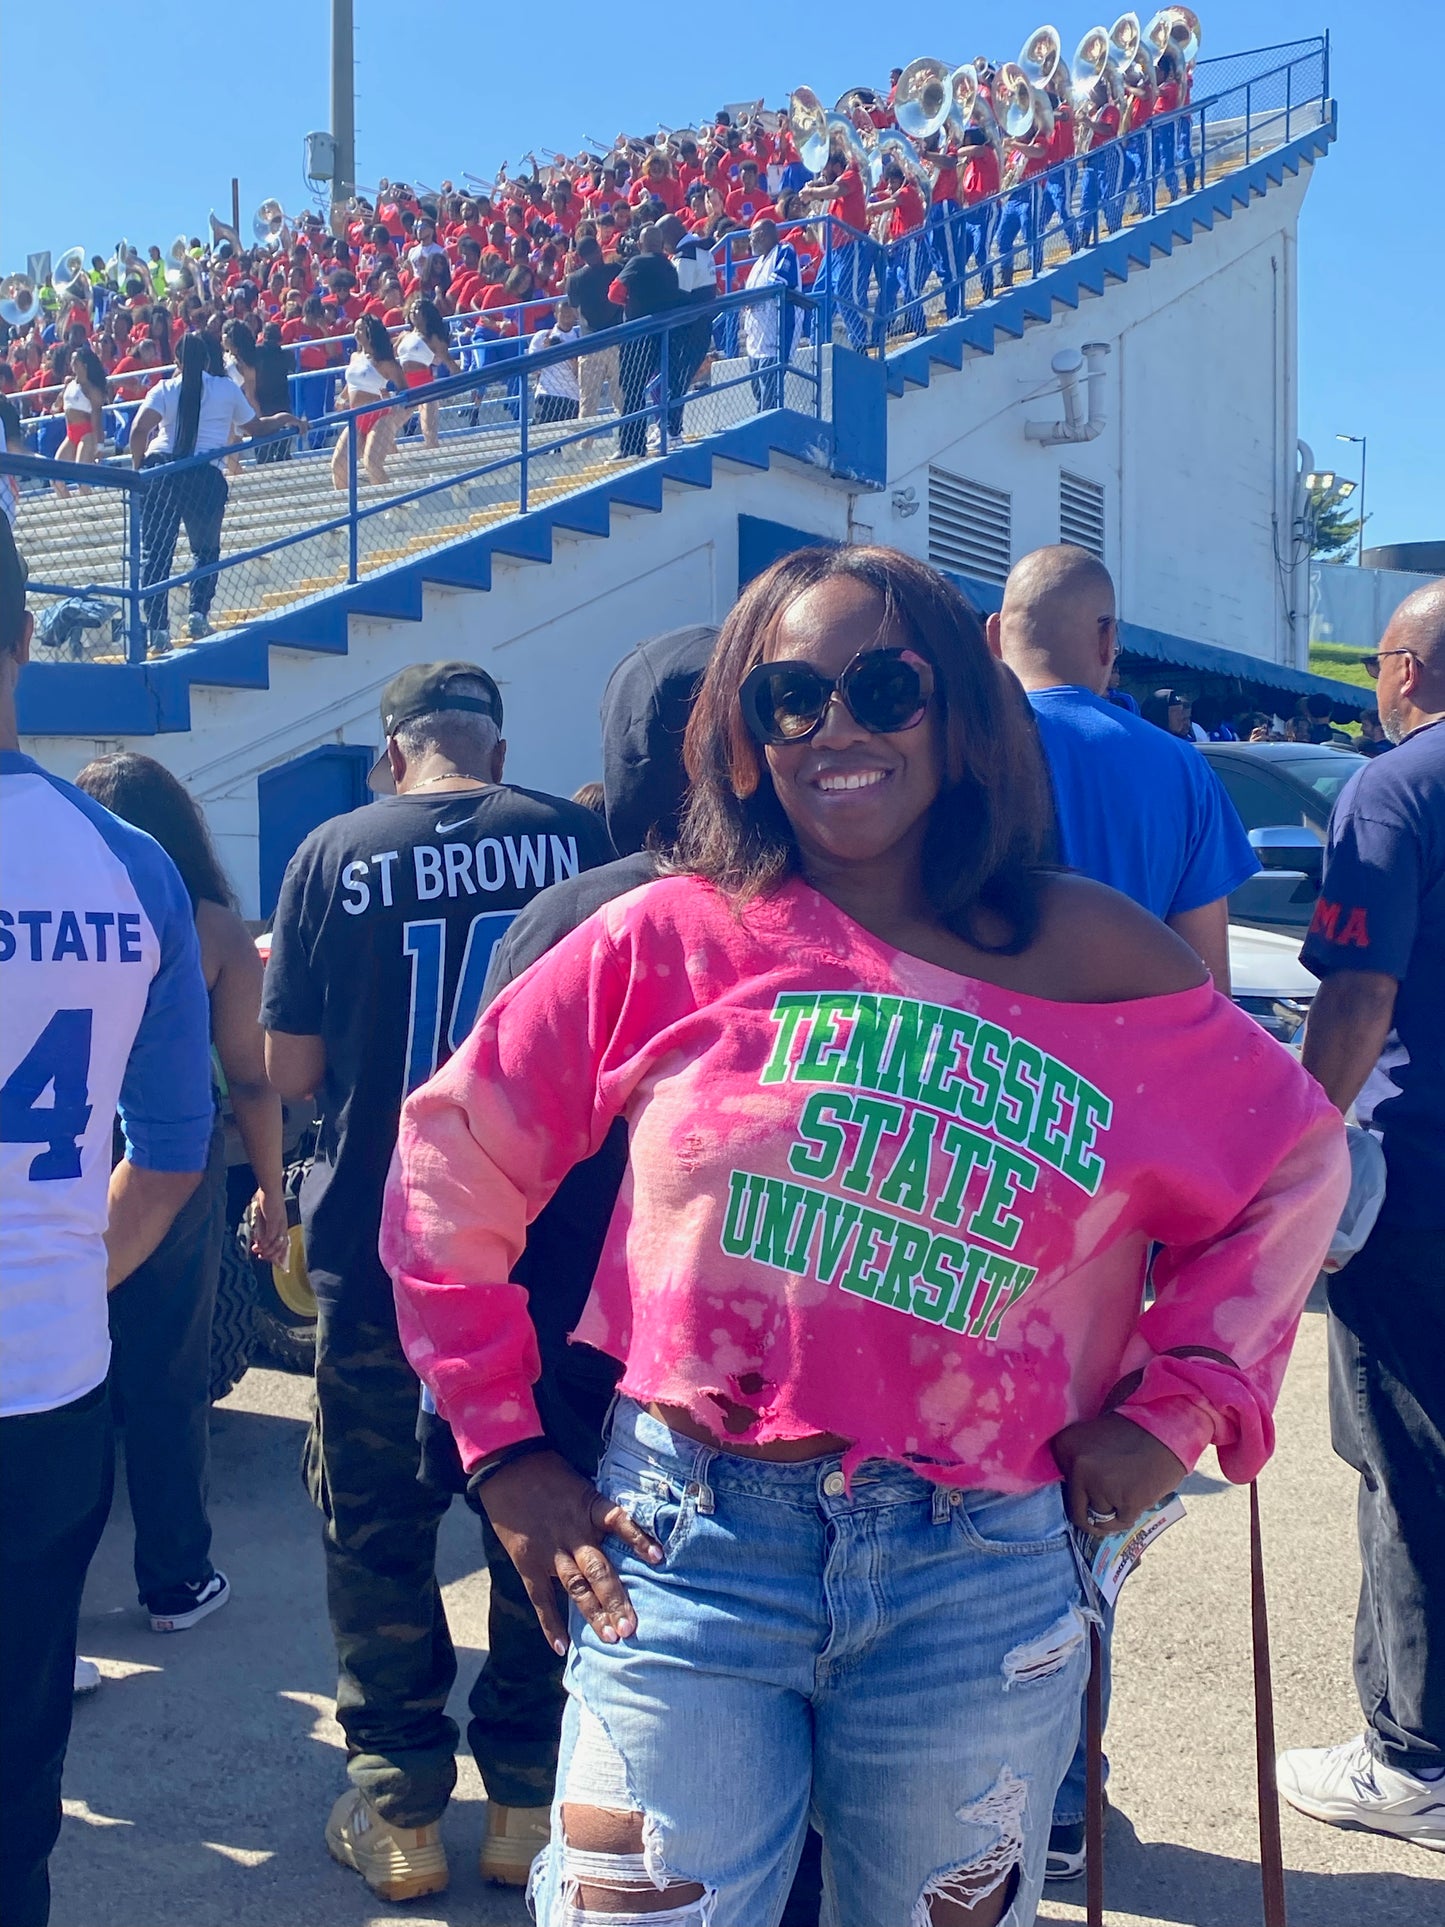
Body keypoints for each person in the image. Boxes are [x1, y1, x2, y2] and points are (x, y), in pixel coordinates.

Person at [382, 545, 1347, 1927]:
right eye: (788, 696)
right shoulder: (666, 937)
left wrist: (1179, 1406)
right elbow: (446, 1163)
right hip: (684, 1541)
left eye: (883, 685)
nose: (836, 725)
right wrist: (505, 1444)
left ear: (956, 714)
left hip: (976, 1570)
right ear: (743, 732)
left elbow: (1297, 1164)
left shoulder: (1096, 953)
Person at [260, 662, 613, 1903]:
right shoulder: (574, 838)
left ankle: (401, 1808)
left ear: (391, 754)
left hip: (379, 1249)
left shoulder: (332, 851)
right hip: (544, 1253)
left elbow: (294, 1066)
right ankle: (524, 1796)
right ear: (496, 745)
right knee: (545, 1504)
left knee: (375, 1523)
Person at [988, 545, 1259, 1874]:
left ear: (996, 635)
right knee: (1089, 1477)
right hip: (1112, 1190)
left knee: (944, 1466)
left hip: (960, 1150)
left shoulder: (955, 749)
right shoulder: (1173, 767)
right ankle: (1060, 1786)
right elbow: (1203, 996)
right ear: (1107, 642)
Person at [0, 515, 214, 1927]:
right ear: (25, 637)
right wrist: (68, 1269)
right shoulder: (123, 856)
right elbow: (177, 1145)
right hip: (44, 1370)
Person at [1277, 585, 1445, 1853]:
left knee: (1404, 1456)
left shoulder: (1391, 789)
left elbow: (1357, 996)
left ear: (1400, 669)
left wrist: (1290, 1151)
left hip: (1419, 1186)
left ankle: (1413, 1751)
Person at [71, 752, 289, 1632]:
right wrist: (272, 1189)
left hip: (64, 1146)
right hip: (174, 1151)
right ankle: (176, 1578)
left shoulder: (61, 902)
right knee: (167, 1372)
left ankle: (52, 1589)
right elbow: (251, 1078)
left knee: (58, 1370)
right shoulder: (213, 927)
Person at [128, 332, 300, 653]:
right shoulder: (225, 389)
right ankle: (197, 614)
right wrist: (285, 419)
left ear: (177, 361)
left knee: (156, 556)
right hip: (205, 475)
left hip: (161, 470)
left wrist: (139, 474)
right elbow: (257, 427)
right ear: (208, 360)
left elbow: (138, 431)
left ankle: (158, 630)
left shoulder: (164, 388)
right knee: (205, 551)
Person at [607, 225, 679, 460]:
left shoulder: (637, 263)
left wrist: (630, 300)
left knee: (631, 390)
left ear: (641, 243)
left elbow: (614, 293)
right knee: (658, 386)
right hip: (663, 335)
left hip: (637, 336)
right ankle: (669, 431)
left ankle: (631, 445)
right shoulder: (669, 266)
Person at [330, 313, 407, 489]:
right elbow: (352, 383)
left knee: (371, 463)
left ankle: (391, 503)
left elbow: (404, 389)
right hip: (357, 417)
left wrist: (395, 412)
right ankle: (346, 508)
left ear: (370, 332)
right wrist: (342, 398)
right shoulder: (355, 357)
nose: (355, 332)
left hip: (379, 416)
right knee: (338, 465)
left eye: (360, 329)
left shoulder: (385, 362)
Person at [741, 219, 800, 412]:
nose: (750, 241)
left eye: (752, 236)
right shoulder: (757, 264)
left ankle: (767, 437)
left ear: (763, 235)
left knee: (770, 395)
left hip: (776, 337)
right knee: (758, 392)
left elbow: (778, 284)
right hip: (755, 340)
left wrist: (750, 299)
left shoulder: (784, 251)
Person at [565, 236, 622, 424]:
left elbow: (574, 310)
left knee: (588, 404)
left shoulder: (574, 280)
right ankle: (630, 440)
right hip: (616, 342)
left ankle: (584, 448)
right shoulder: (616, 270)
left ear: (580, 257)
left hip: (589, 344)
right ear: (599, 250)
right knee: (622, 400)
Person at [395, 296, 459, 450]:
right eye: (411, 310)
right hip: (405, 387)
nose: (414, 313)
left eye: (417, 310)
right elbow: (390, 357)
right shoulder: (405, 335)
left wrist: (461, 380)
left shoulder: (433, 338)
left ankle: (436, 469)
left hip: (425, 387)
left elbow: (448, 361)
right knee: (389, 427)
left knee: (429, 431)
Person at [52, 345, 107, 497]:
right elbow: (59, 402)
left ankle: (88, 512)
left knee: (81, 478)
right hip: (70, 435)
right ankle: (68, 508)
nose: (72, 364)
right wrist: (55, 407)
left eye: (75, 361)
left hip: (86, 434)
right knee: (56, 478)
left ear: (84, 365)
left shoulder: (91, 390)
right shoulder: (69, 383)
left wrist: (99, 445)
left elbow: (97, 418)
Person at [530, 302, 582, 424]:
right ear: (555, 315)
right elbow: (533, 368)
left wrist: (566, 352)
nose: (566, 319)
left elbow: (580, 373)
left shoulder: (580, 339)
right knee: (541, 437)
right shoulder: (543, 336)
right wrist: (547, 352)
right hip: (547, 394)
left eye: (569, 315)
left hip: (572, 397)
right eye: (563, 315)